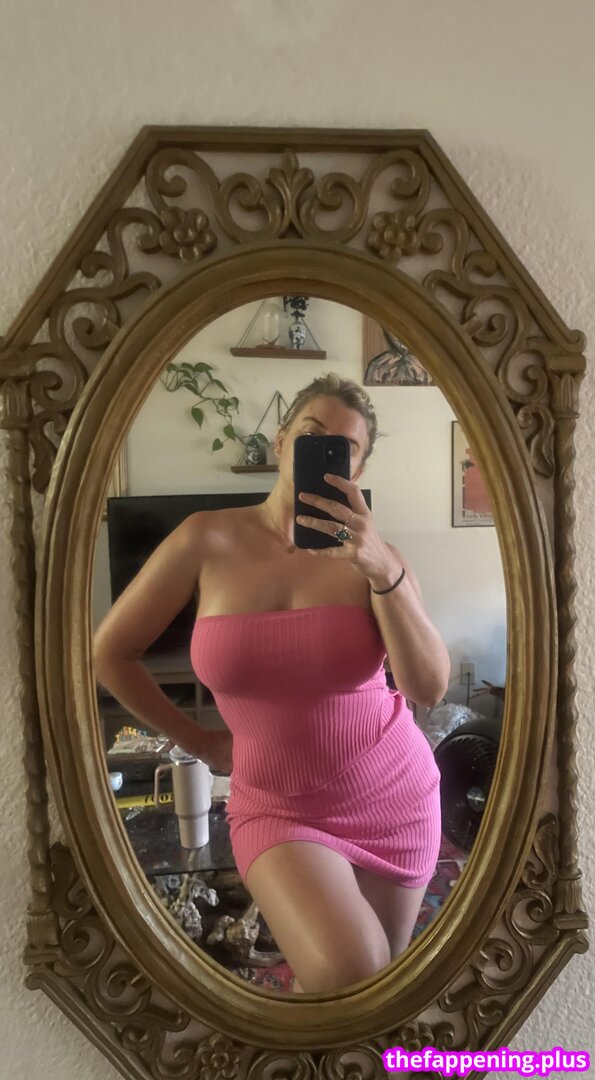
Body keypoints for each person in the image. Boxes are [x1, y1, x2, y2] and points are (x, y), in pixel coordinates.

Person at [93, 373, 450, 994]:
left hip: (394, 792)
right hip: (276, 804)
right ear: (282, 440)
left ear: (358, 468)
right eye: (311, 433)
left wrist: (379, 569)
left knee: (373, 999)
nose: (323, 452)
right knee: (352, 974)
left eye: (345, 448)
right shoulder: (205, 538)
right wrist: (203, 743)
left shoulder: (378, 559)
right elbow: (111, 653)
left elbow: (428, 688)